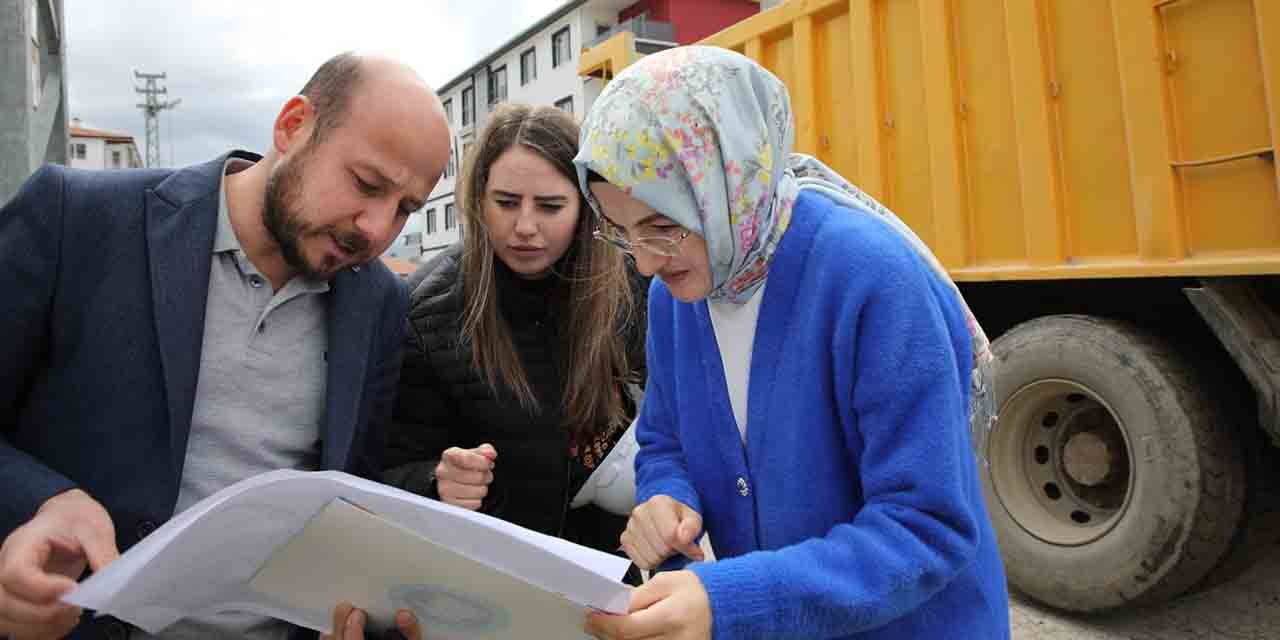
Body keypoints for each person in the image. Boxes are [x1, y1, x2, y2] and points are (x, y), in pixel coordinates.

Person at [0, 52, 448, 640]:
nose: (375, 228)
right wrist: (42, 500)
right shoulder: (75, 219)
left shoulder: (380, 303)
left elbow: (346, 497)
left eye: (406, 210)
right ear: (293, 126)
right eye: (366, 184)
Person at [575, 46, 1010, 639]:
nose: (646, 263)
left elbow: (927, 524)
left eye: (664, 226)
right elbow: (664, 439)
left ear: (728, 183)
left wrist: (731, 602)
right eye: (620, 231)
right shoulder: (678, 296)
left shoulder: (871, 279)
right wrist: (666, 500)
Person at [382, 103, 647, 563]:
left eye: (550, 206)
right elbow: (383, 472)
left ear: (587, 206)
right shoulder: (426, 310)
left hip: (603, 573)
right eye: (506, 203)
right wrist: (435, 480)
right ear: (478, 199)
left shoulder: (630, 284)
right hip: (481, 583)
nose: (525, 227)